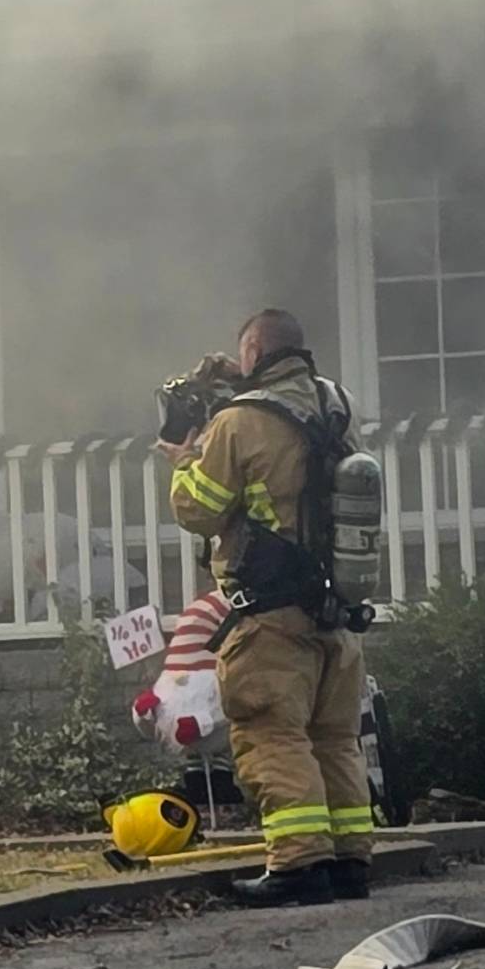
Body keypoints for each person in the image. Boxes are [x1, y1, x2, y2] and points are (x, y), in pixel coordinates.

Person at [163, 308, 371, 907]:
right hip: (337, 609)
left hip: (270, 614)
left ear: (253, 350)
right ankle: (350, 862)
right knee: (334, 738)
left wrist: (183, 459)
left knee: (272, 734)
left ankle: (300, 866)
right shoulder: (336, 405)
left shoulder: (237, 422)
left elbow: (199, 509)